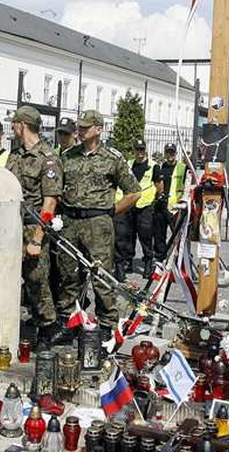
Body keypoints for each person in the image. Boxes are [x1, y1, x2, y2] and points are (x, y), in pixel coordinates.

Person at [58, 110, 141, 333]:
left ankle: (106, 326)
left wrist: (110, 213)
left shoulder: (112, 158)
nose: (81, 131)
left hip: (98, 223)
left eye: (86, 127)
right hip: (70, 221)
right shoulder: (68, 156)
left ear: (99, 129)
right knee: (68, 274)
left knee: (101, 276)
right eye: (80, 127)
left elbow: (133, 193)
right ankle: (68, 321)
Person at [4, 106, 64, 344]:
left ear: (23, 125)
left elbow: (49, 203)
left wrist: (37, 239)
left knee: (37, 279)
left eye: (14, 123)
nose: (12, 128)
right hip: (11, 226)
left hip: (32, 227)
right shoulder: (15, 155)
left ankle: (48, 328)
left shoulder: (48, 159)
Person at [114, 140, 156, 276]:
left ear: (145, 150)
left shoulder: (153, 166)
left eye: (142, 149)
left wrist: (152, 199)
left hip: (144, 207)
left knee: (145, 236)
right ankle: (128, 263)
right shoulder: (129, 164)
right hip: (130, 206)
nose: (139, 152)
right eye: (137, 149)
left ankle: (148, 263)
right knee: (127, 236)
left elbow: (159, 186)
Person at [151, 143, 187, 268]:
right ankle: (160, 259)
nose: (170, 155)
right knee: (159, 234)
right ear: (165, 153)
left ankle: (181, 260)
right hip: (161, 206)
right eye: (168, 152)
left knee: (178, 236)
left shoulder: (183, 167)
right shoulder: (161, 167)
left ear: (176, 153)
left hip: (176, 208)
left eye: (172, 152)